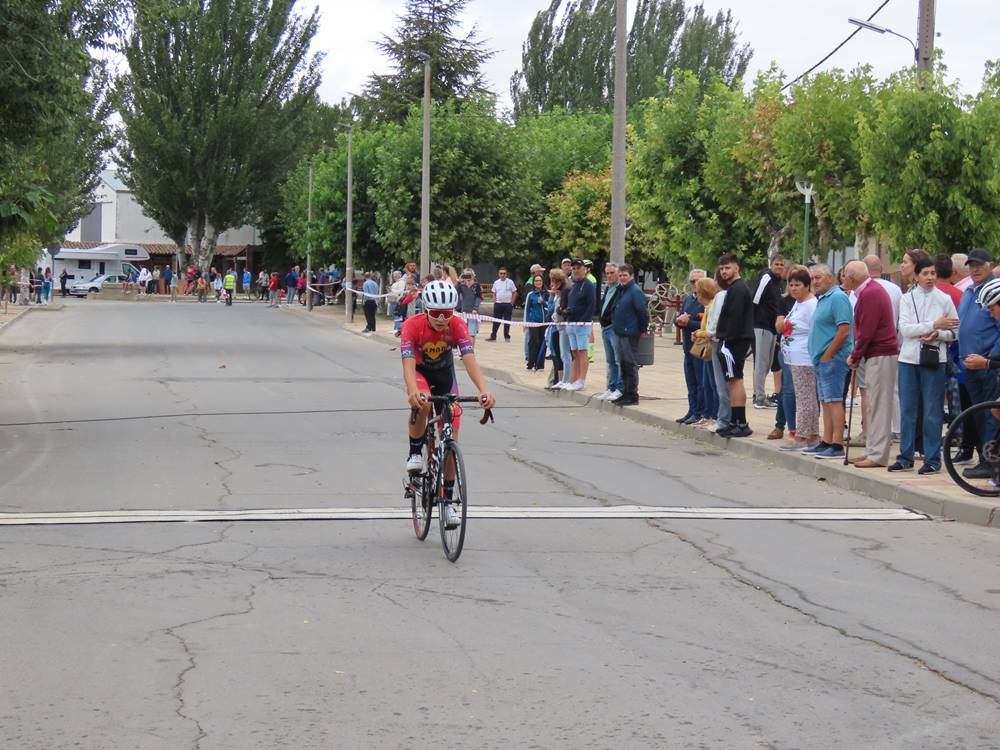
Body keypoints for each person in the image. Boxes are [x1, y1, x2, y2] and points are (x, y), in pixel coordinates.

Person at [401, 280, 496, 528]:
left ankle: (449, 502)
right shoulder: (412, 326)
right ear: (425, 310)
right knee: (421, 403)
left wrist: (484, 390)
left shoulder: (458, 325)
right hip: (421, 373)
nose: (443, 319)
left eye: (448, 313)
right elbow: (408, 365)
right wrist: (412, 391)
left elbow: (469, 359)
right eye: (436, 314)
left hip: (444, 375)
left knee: (452, 427)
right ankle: (414, 451)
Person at [889, 258, 959, 474]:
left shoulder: (945, 299)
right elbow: (905, 329)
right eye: (925, 273)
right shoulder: (907, 299)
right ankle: (905, 456)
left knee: (932, 411)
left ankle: (932, 459)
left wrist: (938, 333)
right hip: (909, 360)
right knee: (908, 410)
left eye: (932, 273)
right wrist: (934, 324)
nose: (929, 277)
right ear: (917, 276)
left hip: (934, 359)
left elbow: (954, 331)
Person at [844, 260, 899, 468]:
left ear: (852, 277)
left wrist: (855, 355)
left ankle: (878, 455)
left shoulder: (871, 293)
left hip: (881, 353)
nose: (844, 279)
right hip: (876, 353)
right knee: (874, 404)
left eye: (846, 275)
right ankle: (872, 450)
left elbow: (867, 331)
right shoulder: (868, 291)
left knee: (879, 405)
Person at [957, 249, 1000, 479]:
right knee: (978, 415)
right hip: (969, 365)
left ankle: (991, 462)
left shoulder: (995, 290)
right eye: (971, 265)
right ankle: (985, 460)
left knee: (991, 414)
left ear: (989, 265)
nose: (974, 269)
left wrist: (989, 360)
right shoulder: (969, 291)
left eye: (979, 265)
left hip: (987, 366)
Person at [806, 264, 854, 460]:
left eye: (818, 277)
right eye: (812, 278)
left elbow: (844, 330)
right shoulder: (822, 299)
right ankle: (826, 440)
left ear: (830, 278)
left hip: (833, 359)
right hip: (822, 359)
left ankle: (837, 444)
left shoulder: (838, 297)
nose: (814, 282)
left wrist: (828, 355)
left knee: (834, 400)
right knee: (826, 401)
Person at [778, 265, 819, 451]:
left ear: (807, 285)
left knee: (805, 397)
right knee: (804, 396)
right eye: (791, 284)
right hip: (792, 355)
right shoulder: (798, 302)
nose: (793, 288)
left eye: (797, 285)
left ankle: (802, 435)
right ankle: (811, 434)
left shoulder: (811, 304)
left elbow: (814, 330)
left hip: (804, 357)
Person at [714, 254, 754, 438]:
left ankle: (741, 422)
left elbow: (736, 318)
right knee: (733, 381)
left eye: (727, 268)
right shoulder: (734, 289)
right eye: (721, 269)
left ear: (737, 268)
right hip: (733, 341)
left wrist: (727, 340)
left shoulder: (738, 289)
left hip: (733, 342)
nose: (724, 272)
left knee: (735, 380)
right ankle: (734, 421)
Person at [611, 263, 649, 406]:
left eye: (625, 275)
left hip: (630, 332)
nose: (622, 278)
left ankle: (632, 394)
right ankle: (625, 392)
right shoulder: (622, 290)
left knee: (630, 363)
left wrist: (641, 329)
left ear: (631, 276)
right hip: (620, 331)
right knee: (623, 363)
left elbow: (642, 312)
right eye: (620, 275)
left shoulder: (635, 291)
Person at [750, 255, 785, 408]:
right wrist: (752, 322)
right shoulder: (766, 277)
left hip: (772, 327)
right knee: (761, 362)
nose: (779, 267)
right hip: (761, 325)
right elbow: (755, 299)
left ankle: (760, 394)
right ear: (771, 265)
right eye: (776, 264)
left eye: (781, 265)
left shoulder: (779, 283)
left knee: (768, 363)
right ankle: (759, 398)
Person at [675, 269, 707, 421]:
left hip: (701, 348)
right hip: (688, 347)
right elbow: (679, 318)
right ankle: (692, 409)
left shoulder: (707, 302)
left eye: (698, 281)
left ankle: (700, 412)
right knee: (691, 381)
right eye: (692, 281)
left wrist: (689, 322)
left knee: (701, 382)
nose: (695, 284)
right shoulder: (689, 299)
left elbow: (707, 325)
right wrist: (679, 321)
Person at [563, 258, 596, 391]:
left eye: (578, 268)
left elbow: (591, 305)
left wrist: (583, 320)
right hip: (571, 322)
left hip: (582, 324)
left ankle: (582, 380)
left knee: (582, 352)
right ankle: (573, 378)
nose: (576, 270)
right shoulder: (574, 284)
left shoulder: (588, 284)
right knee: (574, 352)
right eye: (574, 268)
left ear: (585, 269)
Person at [692, 277, 720, 428]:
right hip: (707, 348)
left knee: (712, 384)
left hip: (711, 348)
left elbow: (710, 330)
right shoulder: (708, 307)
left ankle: (715, 415)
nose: (696, 295)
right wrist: (698, 332)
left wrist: (698, 334)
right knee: (706, 383)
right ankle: (708, 414)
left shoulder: (712, 306)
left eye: (698, 292)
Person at [707, 271, 731, 434]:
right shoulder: (732, 294)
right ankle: (728, 418)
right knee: (728, 382)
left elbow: (715, 320)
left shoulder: (721, 296)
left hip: (718, 340)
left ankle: (723, 419)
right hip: (729, 341)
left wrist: (708, 333)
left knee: (721, 383)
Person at [596, 263, 623, 401]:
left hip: (614, 328)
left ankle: (619, 388)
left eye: (612, 272)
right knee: (610, 360)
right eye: (607, 273)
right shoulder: (608, 288)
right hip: (605, 328)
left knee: (618, 360)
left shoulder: (620, 289)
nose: (610, 275)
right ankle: (611, 387)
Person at [546, 269, 573, 389]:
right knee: (562, 354)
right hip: (559, 325)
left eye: (553, 281)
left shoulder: (565, 290)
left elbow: (563, 309)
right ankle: (564, 379)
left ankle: (566, 379)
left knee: (565, 354)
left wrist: (559, 311)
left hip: (563, 326)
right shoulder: (562, 290)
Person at [524, 274, 549, 370]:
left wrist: (543, 302)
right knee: (533, 342)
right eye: (536, 281)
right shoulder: (530, 295)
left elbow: (550, 307)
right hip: (533, 322)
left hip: (544, 322)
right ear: (534, 283)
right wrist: (526, 323)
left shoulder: (546, 294)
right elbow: (527, 309)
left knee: (542, 343)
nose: (538, 282)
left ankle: (540, 364)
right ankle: (531, 363)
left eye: (540, 281)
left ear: (543, 282)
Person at [488, 268, 517, 341]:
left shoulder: (510, 282)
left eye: (504, 273)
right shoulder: (496, 282)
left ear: (506, 274)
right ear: (499, 274)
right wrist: (495, 302)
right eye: (501, 273)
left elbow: (514, 293)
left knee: (507, 321)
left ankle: (507, 336)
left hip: (508, 305)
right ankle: (493, 336)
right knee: (496, 321)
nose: (502, 275)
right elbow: (494, 293)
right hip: (498, 304)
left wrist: (512, 303)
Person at [456, 269, 482, 341]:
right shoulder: (461, 285)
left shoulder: (476, 285)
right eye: (465, 275)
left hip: (473, 313)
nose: (467, 276)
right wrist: (459, 281)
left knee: (472, 333)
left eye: (469, 274)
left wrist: (475, 308)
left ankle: (471, 350)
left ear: (473, 275)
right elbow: (455, 292)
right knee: (462, 333)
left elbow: (478, 297)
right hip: (463, 312)